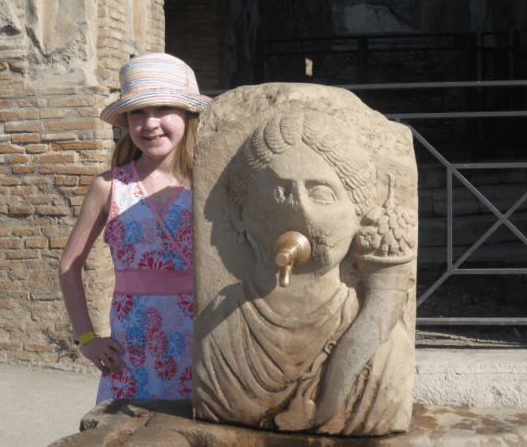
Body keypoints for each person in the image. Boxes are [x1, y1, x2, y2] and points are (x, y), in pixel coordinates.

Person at [193, 111, 416, 436]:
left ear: (358, 216)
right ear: (240, 214)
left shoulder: (386, 348)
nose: (299, 210)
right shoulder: (219, 330)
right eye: (279, 191)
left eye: (321, 193)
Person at [59, 53, 210, 403]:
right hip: (131, 356)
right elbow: (69, 266)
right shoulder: (108, 187)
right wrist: (86, 339)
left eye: (162, 108)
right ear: (126, 120)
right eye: (138, 112)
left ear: (188, 114)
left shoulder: (210, 182)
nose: (149, 123)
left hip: (202, 347)